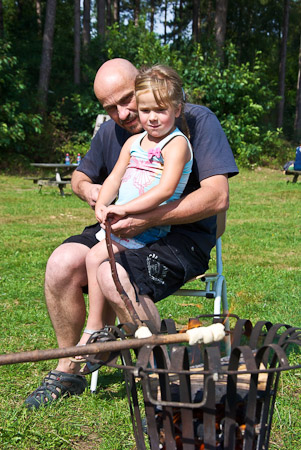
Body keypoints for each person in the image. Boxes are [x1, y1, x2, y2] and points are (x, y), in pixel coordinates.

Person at [24, 58, 238, 409]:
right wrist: (91, 193)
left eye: (126, 100)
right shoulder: (113, 133)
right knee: (62, 264)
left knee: (113, 275)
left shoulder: (196, 121)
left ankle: (161, 381)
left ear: (142, 84)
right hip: (122, 226)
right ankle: (70, 369)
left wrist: (149, 218)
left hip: (181, 236)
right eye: (110, 107)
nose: (122, 113)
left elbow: (217, 196)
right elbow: (82, 177)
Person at [74, 65, 193, 355]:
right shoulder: (133, 142)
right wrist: (102, 202)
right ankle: (96, 326)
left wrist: (124, 209)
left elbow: (165, 190)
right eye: (146, 110)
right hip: (123, 219)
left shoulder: (176, 144)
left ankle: (95, 329)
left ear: (177, 110)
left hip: (148, 226)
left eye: (160, 110)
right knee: (93, 258)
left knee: (99, 259)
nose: (151, 118)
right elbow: (113, 178)